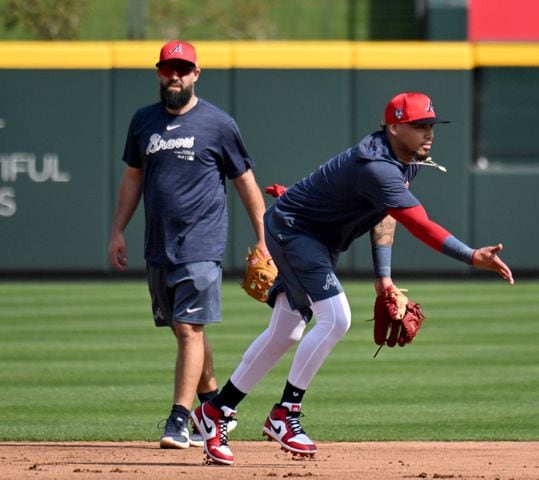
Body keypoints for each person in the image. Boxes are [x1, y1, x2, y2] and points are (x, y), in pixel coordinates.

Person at [192, 92, 514, 465]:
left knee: (288, 331)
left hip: (314, 239)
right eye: (419, 126)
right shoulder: (377, 166)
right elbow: (421, 225)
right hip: (295, 233)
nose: (429, 133)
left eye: (430, 125)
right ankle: (285, 414)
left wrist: (384, 277)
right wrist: (471, 255)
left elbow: (386, 214)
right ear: (394, 127)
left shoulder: (403, 159)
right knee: (337, 317)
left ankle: (215, 412)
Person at [107, 40, 269, 450]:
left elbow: (245, 181)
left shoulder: (218, 123)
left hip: (202, 242)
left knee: (187, 327)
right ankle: (212, 407)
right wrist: (117, 230)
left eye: (183, 69)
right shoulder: (143, 121)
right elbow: (132, 179)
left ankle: (179, 419)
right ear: (158, 73)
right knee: (184, 331)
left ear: (197, 74)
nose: (175, 76)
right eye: (168, 69)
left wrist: (264, 237)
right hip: (158, 245)